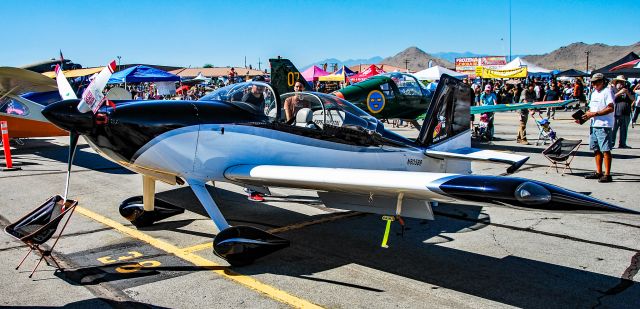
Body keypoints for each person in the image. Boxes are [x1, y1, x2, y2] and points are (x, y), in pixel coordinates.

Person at [580, 73, 615, 183]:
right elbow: (591, 111)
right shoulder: (594, 93)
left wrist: (595, 114)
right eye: (592, 82)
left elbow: (610, 108)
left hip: (603, 124)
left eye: (595, 82)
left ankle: (607, 174)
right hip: (594, 124)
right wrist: (583, 118)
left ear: (602, 81)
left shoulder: (607, 92)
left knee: (605, 149)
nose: (593, 84)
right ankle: (598, 172)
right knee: (596, 149)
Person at [611, 75, 633, 148]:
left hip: (626, 113)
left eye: (623, 82)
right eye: (620, 82)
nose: (621, 84)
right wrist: (620, 92)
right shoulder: (613, 90)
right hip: (616, 113)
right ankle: (611, 143)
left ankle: (622, 144)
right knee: (614, 129)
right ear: (616, 83)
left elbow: (633, 99)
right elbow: (611, 98)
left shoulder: (628, 89)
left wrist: (627, 93)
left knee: (624, 130)